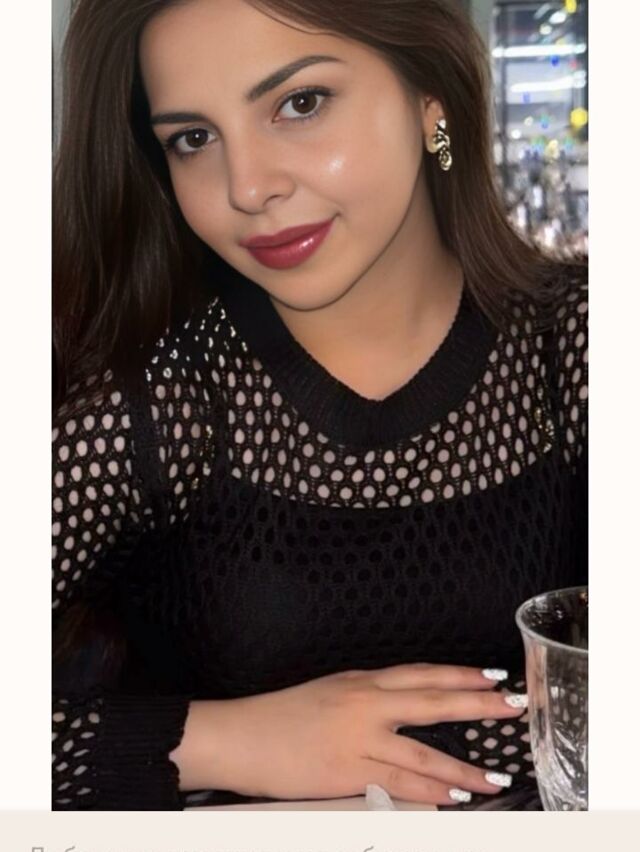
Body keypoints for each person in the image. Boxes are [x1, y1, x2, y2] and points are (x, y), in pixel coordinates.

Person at [52, 0, 587, 811]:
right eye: (193, 138)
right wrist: (227, 741)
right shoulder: (154, 402)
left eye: (300, 103)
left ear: (430, 100)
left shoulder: (578, 343)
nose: (248, 188)